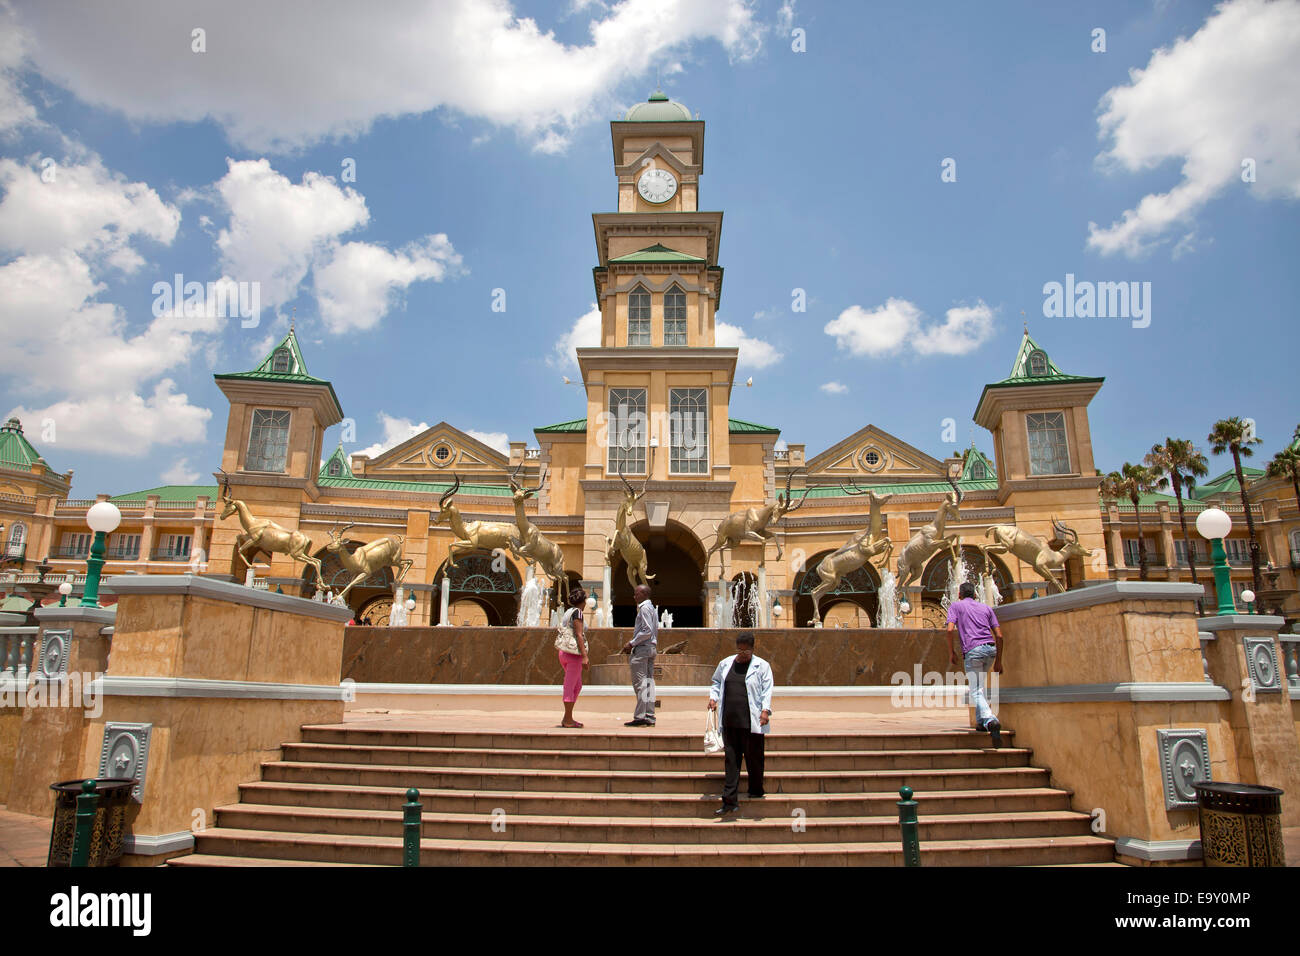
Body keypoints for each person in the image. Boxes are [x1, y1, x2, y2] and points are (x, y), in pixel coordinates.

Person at [708, 632, 773, 817]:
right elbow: (716, 682)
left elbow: (766, 690)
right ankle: (729, 801)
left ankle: (756, 789)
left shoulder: (762, 666)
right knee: (731, 761)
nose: (743, 653)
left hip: (752, 721)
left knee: (755, 759)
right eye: (740, 649)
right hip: (730, 721)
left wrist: (765, 710)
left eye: (746, 650)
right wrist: (713, 698)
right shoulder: (726, 663)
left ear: (753, 649)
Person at [946, 581, 1004, 747]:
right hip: (991, 650)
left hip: (973, 651)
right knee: (979, 687)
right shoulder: (986, 608)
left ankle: (991, 719)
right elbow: (999, 636)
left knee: (976, 690)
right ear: (976, 595)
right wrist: (999, 661)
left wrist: (952, 652)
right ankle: (981, 723)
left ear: (959, 594)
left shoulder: (956, 606)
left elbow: (950, 630)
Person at [624, 584, 657, 727]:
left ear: (644, 594)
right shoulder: (652, 608)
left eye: (636, 593)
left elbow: (647, 631)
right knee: (648, 683)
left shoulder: (644, 608)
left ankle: (640, 717)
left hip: (642, 649)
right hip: (651, 648)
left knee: (640, 684)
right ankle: (649, 715)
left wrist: (631, 643)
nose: (634, 596)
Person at [557, 587, 589, 728]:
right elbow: (579, 634)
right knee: (570, 686)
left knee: (577, 685)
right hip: (573, 655)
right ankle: (568, 720)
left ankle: (567, 717)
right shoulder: (578, 613)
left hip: (564, 653)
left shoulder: (568, 612)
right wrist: (584, 656)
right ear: (583, 601)